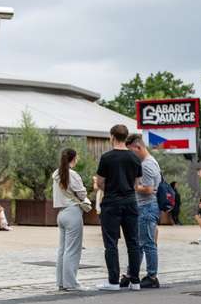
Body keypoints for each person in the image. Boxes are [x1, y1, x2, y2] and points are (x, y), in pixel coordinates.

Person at [94, 124, 142, 291]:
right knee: (133, 242)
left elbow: (100, 182)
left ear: (112, 137)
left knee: (111, 243)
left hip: (111, 203)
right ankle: (135, 281)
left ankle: (113, 281)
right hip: (130, 202)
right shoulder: (135, 158)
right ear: (125, 137)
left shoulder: (106, 157)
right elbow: (137, 184)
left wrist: (111, 189)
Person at [52, 148, 91, 291]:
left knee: (62, 250)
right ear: (73, 158)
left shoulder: (56, 174)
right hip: (73, 212)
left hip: (61, 213)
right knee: (72, 250)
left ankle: (61, 282)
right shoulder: (72, 175)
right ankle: (71, 283)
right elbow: (82, 193)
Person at [126, 134, 161, 289]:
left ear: (138, 147)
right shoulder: (150, 161)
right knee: (140, 243)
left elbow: (148, 189)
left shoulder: (146, 165)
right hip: (146, 206)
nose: (130, 155)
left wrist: (132, 186)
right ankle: (132, 273)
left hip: (146, 206)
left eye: (131, 151)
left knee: (148, 243)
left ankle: (152, 276)